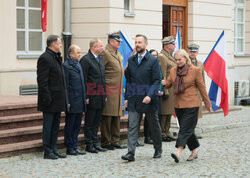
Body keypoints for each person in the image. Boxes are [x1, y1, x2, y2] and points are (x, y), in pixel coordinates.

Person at [162, 49, 212, 163]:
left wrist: (207, 103)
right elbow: (169, 83)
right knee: (188, 129)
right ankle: (194, 152)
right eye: (176, 60)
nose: (178, 62)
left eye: (180, 59)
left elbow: (202, 87)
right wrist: (164, 84)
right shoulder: (173, 70)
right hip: (178, 105)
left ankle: (178, 152)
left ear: (185, 58)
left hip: (192, 104)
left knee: (184, 129)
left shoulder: (195, 70)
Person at [121, 34, 162, 162]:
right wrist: (127, 97)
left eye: (140, 42)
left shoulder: (153, 60)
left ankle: (158, 149)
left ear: (146, 44)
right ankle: (130, 153)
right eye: (136, 42)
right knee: (133, 126)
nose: (137, 44)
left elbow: (156, 81)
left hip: (149, 99)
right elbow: (129, 80)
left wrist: (149, 95)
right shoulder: (132, 60)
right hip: (134, 98)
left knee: (154, 126)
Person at [37, 35, 67, 159]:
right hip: (49, 100)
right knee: (48, 126)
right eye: (59, 43)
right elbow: (42, 81)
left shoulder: (56, 57)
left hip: (58, 99)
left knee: (55, 127)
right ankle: (47, 150)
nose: (60, 45)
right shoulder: (45, 58)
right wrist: (47, 98)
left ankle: (54, 148)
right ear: (53, 44)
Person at [79, 39, 107, 153]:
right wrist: (86, 96)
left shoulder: (99, 59)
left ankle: (96, 143)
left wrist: (104, 94)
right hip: (91, 95)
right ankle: (89, 144)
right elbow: (84, 79)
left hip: (100, 95)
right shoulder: (86, 60)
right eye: (100, 46)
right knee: (90, 121)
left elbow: (102, 78)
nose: (102, 48)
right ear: (93, 47)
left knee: (96, 121)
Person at [100, 32, 127, 150]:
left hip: (118, 89)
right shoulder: (105, 53)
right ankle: (106, 141)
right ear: (111, 41)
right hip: (109, 88)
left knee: (116, 115)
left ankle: (115, 140)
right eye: (117, 41)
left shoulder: (117, 52)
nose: (120, 43)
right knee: (107, 116)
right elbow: (100, 72)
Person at [63, 45, 87, 156]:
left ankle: (75, 145)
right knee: (70, 125)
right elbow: (66, 86)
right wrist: (67, 101)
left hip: (80, 100)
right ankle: (69, 146)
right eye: (78, 53)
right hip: (72, 101)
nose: (79, 54)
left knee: (77, 125)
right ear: (71, 54)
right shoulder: (66, 66)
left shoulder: (78, 64)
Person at [158, 36, 177, 142]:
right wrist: (164, 89)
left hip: (172, 88)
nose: (174, 46)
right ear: (167, 45)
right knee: (164, 112)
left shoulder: (170, 56)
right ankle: (162, 133)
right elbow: (162, 74)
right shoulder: (162, 57)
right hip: (167, 88)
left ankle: (166, 132)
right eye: (173, 44)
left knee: (169, 112)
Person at [143, 49, 164, 145]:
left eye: (156, 55)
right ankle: (147, 136)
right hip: (149, 94)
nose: (155, 57)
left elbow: (160, 80)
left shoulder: (158, 66)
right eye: (153, 55)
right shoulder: (147, 66)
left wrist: (162, 90)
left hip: (158, 95)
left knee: (157, 117)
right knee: (148, 118)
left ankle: (154, 136)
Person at [188, 43, 205, 139]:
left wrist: (203, 94)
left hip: (197, 92)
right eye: (191, 51)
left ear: (197, 52)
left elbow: (202, 80)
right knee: (189, 113)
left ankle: (193, 132)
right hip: (188, 92)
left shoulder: (200, 64)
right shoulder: (185, 63)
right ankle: (189, 133)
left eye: (194, 52)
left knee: (196, 113)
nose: (192, 53)